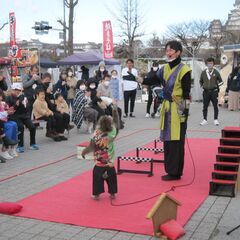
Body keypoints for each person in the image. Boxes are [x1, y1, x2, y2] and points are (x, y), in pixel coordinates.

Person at [157, 40, 191, 181]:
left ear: (178, 52)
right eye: (167, 50)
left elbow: (186, 92)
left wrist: (184, 112)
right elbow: (152, 79)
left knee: (177, 141)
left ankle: (175, 172)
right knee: (168, 141)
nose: (168, 53)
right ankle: (170, 170)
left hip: (178, 109)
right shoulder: (164, 68)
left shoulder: (185, 69)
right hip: (167, 108)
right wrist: (136, 78)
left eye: (171, 50)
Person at [82, 104, 120, 200]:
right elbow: (117, 124)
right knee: (111, 178)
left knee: (97, 178)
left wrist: (84, 152)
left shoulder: (96, 133)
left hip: (99, 163)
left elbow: (91, 146)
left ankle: (96, 194)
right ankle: (112, 193)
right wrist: (115, 112)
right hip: (110, 162)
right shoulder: (112, 132)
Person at [6, 83, 39, 153]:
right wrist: (16, 105)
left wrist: (26, 104)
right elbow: (9, 110)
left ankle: (32, 144)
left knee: (32, 127)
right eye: (15, 89)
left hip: (24, 115)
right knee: (20, 127)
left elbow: (27, 109)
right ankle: (20, 146)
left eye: (18, 90)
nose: (17, 91)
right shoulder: (9, 98)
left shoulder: (23, 97)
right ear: (12, 90)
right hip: (15, 116)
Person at [199, 57, 223, 126]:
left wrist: (217, 86)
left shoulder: (216, 72)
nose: (210, 65)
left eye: (211, 63)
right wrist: (202, 85)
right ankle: (204, 120)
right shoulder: (204, 72)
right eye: (208, 63)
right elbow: (200, 81)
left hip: (214, 92)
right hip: (206, 92)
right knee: (205, 106)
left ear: (213, 64)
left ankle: (215, 119)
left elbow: (221, 81)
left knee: (215, 106)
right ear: (206, 64)